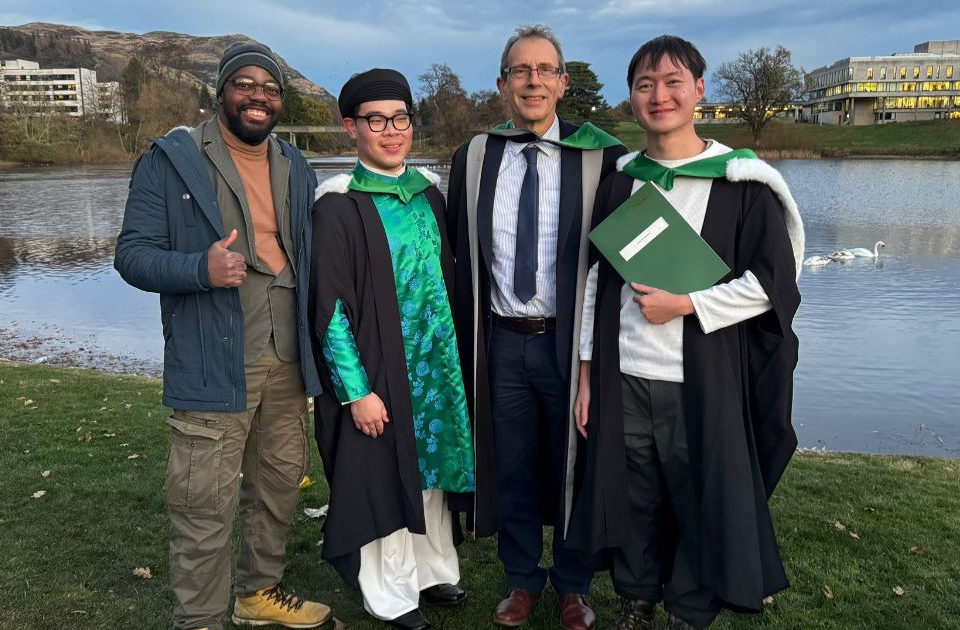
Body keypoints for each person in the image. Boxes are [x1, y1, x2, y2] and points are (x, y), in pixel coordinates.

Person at [568, 35, 805, 630]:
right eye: (645, 85)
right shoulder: (622, 180)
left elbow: (773, 286)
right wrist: (589, 375)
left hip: (699, 377)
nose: (659, 96)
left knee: (698, 493)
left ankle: (691, 606)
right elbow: (599, 282)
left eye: (673, 82)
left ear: (700, 90)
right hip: (626, 372)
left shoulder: (742, 182)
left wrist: (687, 303)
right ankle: (639, 595)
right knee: (636, 494)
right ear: (632, 98)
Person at [114, 42, 332, 630]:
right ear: (221, 91)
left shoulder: (296, 164)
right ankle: (202, 619)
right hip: (213, 356)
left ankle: (257, 592)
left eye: (271, 87)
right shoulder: (172, 158)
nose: (259, 96)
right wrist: (198, 270)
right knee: (202, 499)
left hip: (287, 356)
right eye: (246, 83)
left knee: (281, 479)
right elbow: (131, 256)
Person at [445, 24, 625, 630]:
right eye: (520, 71)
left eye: (545, 70)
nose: (533, 81)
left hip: (568, 343)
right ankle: (522, 579)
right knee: (512, 463)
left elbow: (622, 261)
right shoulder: (473, 158)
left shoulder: (603, 158)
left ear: (563, 83)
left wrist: (595, 361)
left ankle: (573, 583)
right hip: (499, 341)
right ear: (502, 85)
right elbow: (453, 254)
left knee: (575, 459)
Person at [309, 68, 481, 630]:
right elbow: (330, 312)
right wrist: (356, 391)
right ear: (350, 127)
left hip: (436, 364)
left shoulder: (429, 194)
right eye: (376, 120)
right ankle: (390, 591)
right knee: (385, 476)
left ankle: (434, 568)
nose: (391, 130)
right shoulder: (340, 205)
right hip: (380, 367)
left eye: (400, 118)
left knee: (431, 469)